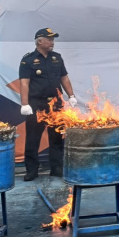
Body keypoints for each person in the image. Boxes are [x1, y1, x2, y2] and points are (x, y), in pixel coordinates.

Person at [19, 28, 77, 181]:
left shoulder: (57, 58)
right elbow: (24, 83)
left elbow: (64, 78)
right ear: (39, 41)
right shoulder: (28, 60)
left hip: (56, 103)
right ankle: (31, 170)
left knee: (57, 137)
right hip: (36, 104)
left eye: (53, 40)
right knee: (32, 138)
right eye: (49, 39)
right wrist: (25, 104)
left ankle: (56, 168)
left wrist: (71, 95)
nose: (52, 42)